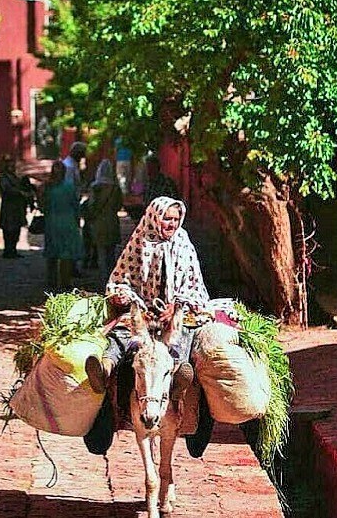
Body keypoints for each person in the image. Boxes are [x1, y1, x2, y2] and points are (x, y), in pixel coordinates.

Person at [83, 196, 213, 457]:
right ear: (155, 217)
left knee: (182, 338)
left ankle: (177, 377)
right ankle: (105, 370)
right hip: (141, 314)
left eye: (175, 220)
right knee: (120, 337)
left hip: (176, 315)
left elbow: (195, 286)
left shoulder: (184, 244)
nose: (171, 224)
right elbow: (119, 281)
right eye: (167, 218)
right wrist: (131, 301)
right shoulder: (139, 242)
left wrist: (176, 306)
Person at [42, 161, 84, 290]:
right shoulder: (69, 186)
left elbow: (43, 205)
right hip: (68, 222)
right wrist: (77, 221)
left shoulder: (47, 187)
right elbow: (75, 204)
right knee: (66, 254)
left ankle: (51, 281)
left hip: (51, 222)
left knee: (52, 253)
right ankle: (65, 282)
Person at [84, 159, 123, 287]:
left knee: (101, 253)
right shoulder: (115, 188)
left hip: (98, 224)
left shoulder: (95, 187)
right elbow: (119, 205)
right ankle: (112, 279)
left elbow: (91, 206)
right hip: (112, 222)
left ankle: (104, 279)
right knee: (111, 254)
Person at [0, 155, 34, 258]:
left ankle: (13, 250)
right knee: (9, 229)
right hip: (9, 206)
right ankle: (8, 250)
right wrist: (21, 193)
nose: (11, 164)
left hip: (17, 206)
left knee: (16, 229)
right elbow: (7, 189)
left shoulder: (14, 176)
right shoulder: (3, 176)